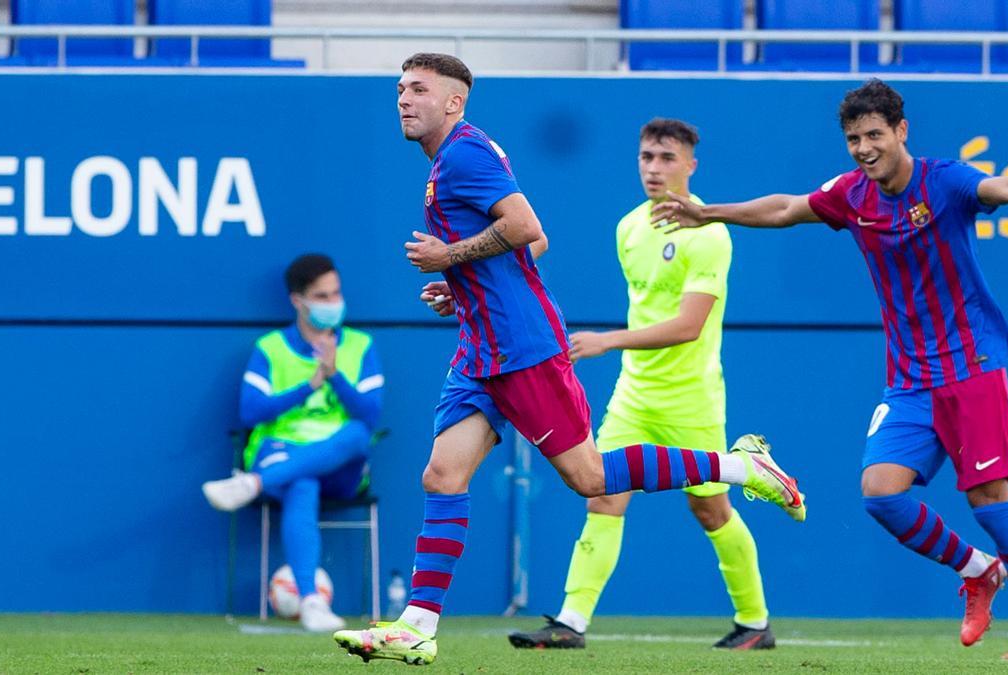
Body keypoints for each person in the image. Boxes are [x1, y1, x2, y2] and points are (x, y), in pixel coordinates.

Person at [331, 53, 805, 666]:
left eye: (418, 89)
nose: (403, 98)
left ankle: (742, 467)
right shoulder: (455, 159)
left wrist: (451, 258)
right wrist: (463, 284)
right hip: (481, 349)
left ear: (453, 102)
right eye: (399, 88)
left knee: (590, 478)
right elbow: (533, 239)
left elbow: (525, 227)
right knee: (442, 476)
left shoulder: (464, 154)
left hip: (522, 347)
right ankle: (418, 625)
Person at [653, 79, 1008, 661]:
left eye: (874, 135)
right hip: (910, 380)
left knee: (991, 501)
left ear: (901, 131)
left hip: (972, 367)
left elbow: (1005, 188)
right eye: (854, 138)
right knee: (881, 494)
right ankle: (978, 571)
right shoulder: (852, 195)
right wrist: (710, 213)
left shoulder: (945, 180)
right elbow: (787, 207)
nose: (863, 148)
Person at [507, 118, 774, 651]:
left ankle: (755, 623)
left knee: (711, 509)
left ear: (691, 165)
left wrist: (607, 342)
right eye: (647, 157)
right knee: (602, 496)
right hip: (634, 395)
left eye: (667, 158)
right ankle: (570, 623)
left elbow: (688, 326)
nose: (654, 168)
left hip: (693, 397)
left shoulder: (710, 234)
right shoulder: (628, 228)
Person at [201, 253, 385, 632]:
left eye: (336, 294)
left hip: (341, 466)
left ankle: (251, 484)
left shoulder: (360, 346)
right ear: (297, 301)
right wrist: (308, 385)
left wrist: (334, 375)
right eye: (322, 296)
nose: (333, 303)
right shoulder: (270, 348)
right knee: (303, 482)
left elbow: (369, 413)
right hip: (281, 453)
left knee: (356, 434)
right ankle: (312, 602)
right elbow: (250, 413)